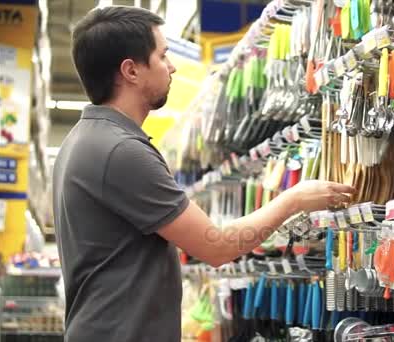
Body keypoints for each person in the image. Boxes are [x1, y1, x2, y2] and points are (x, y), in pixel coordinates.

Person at [52, 5, 355, 342]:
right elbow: (218, 247)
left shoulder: (85, 140)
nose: (173, 66)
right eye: (163, 55)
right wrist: (294, 199)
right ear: (131, 71)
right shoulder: (120, 151)